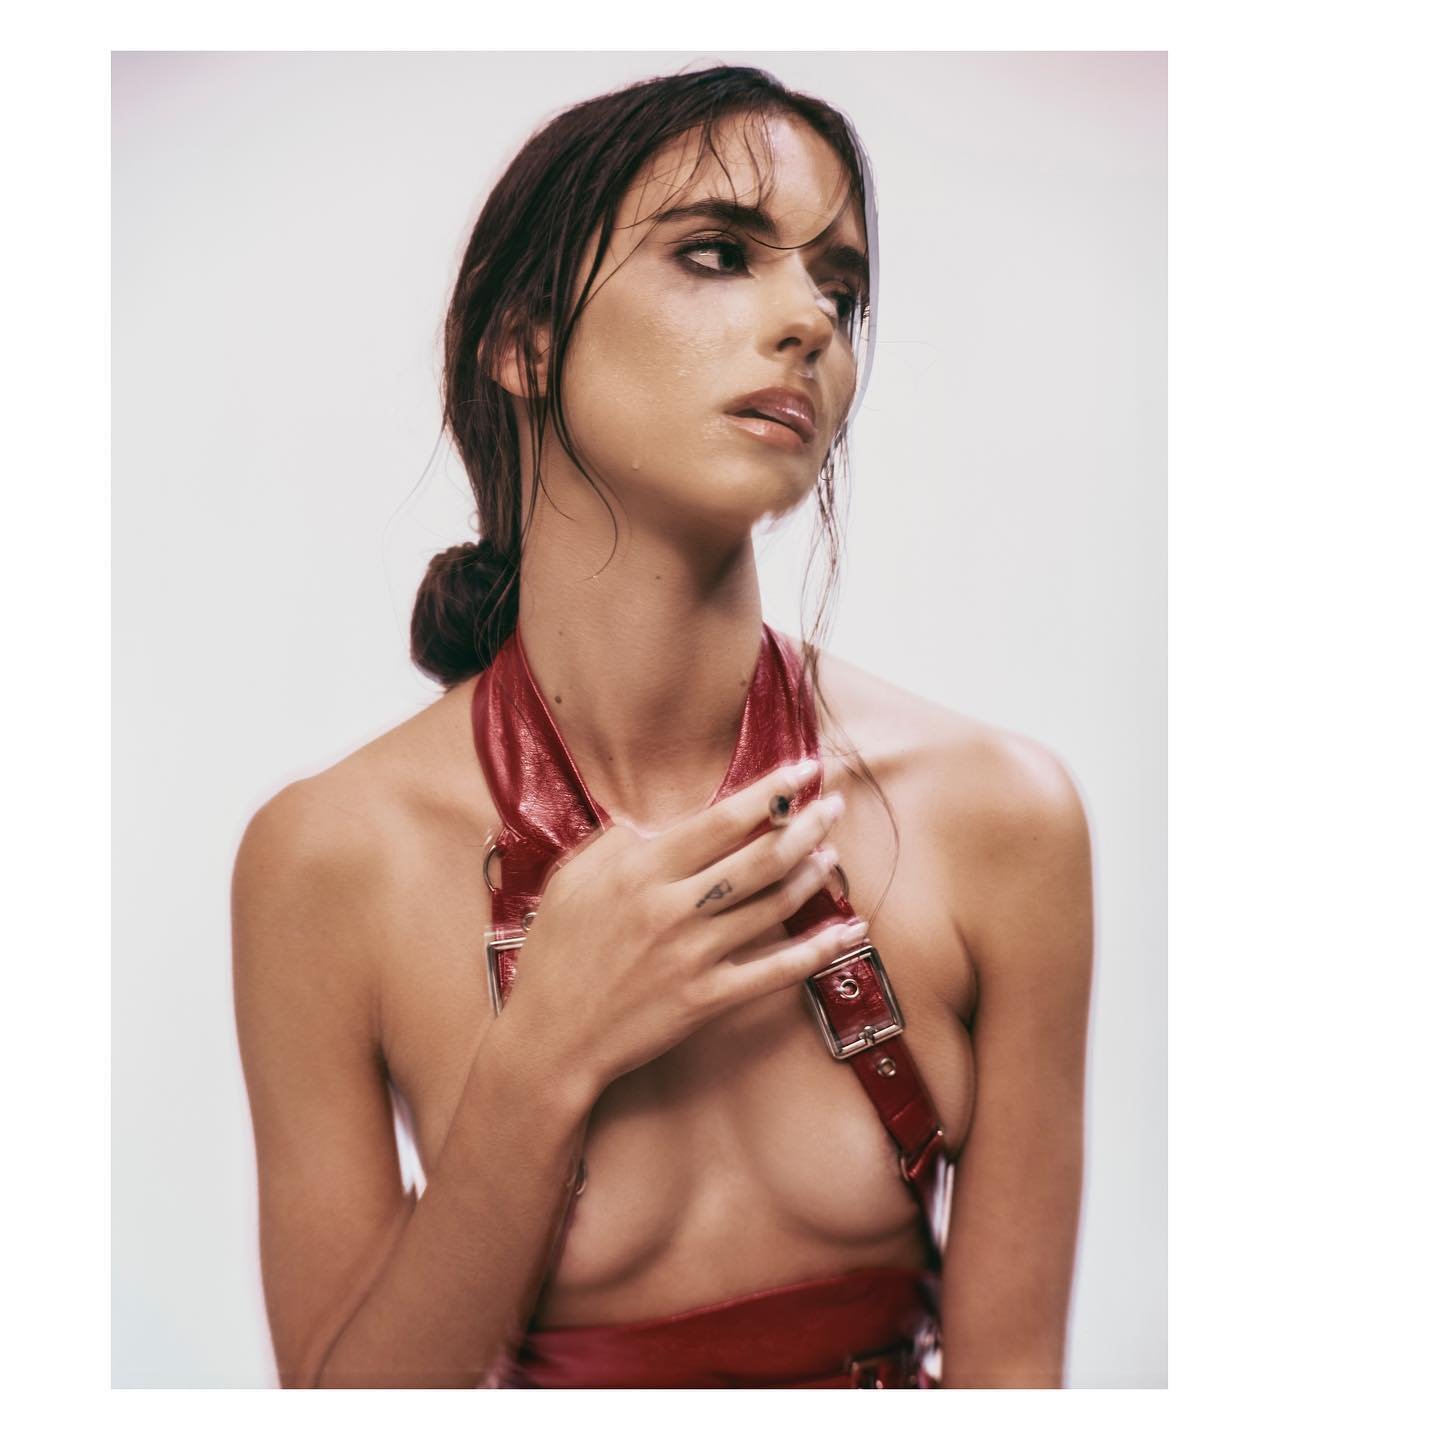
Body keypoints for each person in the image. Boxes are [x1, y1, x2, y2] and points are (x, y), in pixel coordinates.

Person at [231, 63, 1094, 1389]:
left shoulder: (999, 820)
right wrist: (542, 1056)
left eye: (840, 289)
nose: (808, 322)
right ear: (524, 340)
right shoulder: (329, 860)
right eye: (718, 253)